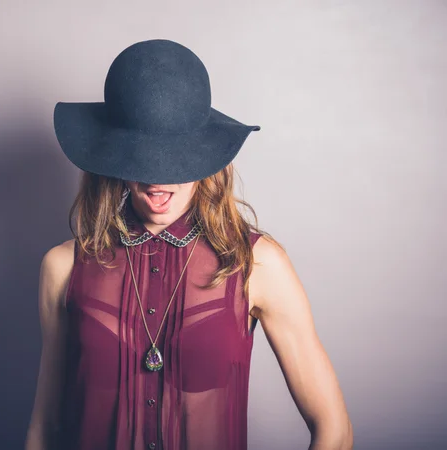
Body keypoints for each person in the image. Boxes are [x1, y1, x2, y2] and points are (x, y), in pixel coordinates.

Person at [25, 39, 353, 450]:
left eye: (175, 159)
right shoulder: (63, 267)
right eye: (141, 158)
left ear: (205, 158)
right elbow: (44, 428)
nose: (157, 180)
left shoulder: (258, 264)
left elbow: (334, 431)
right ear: (113, 159)